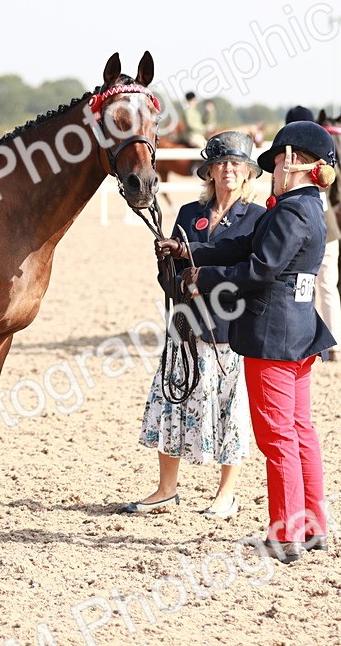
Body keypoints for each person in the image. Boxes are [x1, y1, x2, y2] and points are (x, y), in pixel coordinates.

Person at [155, 119, 338, 564]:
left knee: (277, 438)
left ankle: (285, 534)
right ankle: (312, 526)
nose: (272, 170)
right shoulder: (305, 206)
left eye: (275, 161)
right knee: (299, 432)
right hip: (298, 332)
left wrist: (204, 278)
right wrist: (190, 251)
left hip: (274, 336)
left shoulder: (291, 211)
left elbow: (258, 269)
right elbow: (243, 247)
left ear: (292, 161)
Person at [123, 131, 264, 519]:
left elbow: (246, 270)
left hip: (228, 328)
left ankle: (227, 493)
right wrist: (166, 266)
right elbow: (172, 273)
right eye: (221, 164)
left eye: (236, 164)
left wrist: (202, 274)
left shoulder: (256, 218)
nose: (228, 170)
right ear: (210, 171)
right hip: (184, 324)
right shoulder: (188, 214)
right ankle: (166, 489)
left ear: (248, 172)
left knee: (228, 408)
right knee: (171, 400)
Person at [285, 107, 341, 361]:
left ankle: (306, 341)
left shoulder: (286, 161)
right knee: (328, 286)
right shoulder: (325, 157)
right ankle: (335, 347)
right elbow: (340, 192)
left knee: (301, 287)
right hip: (327, 229)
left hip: (297, 234)